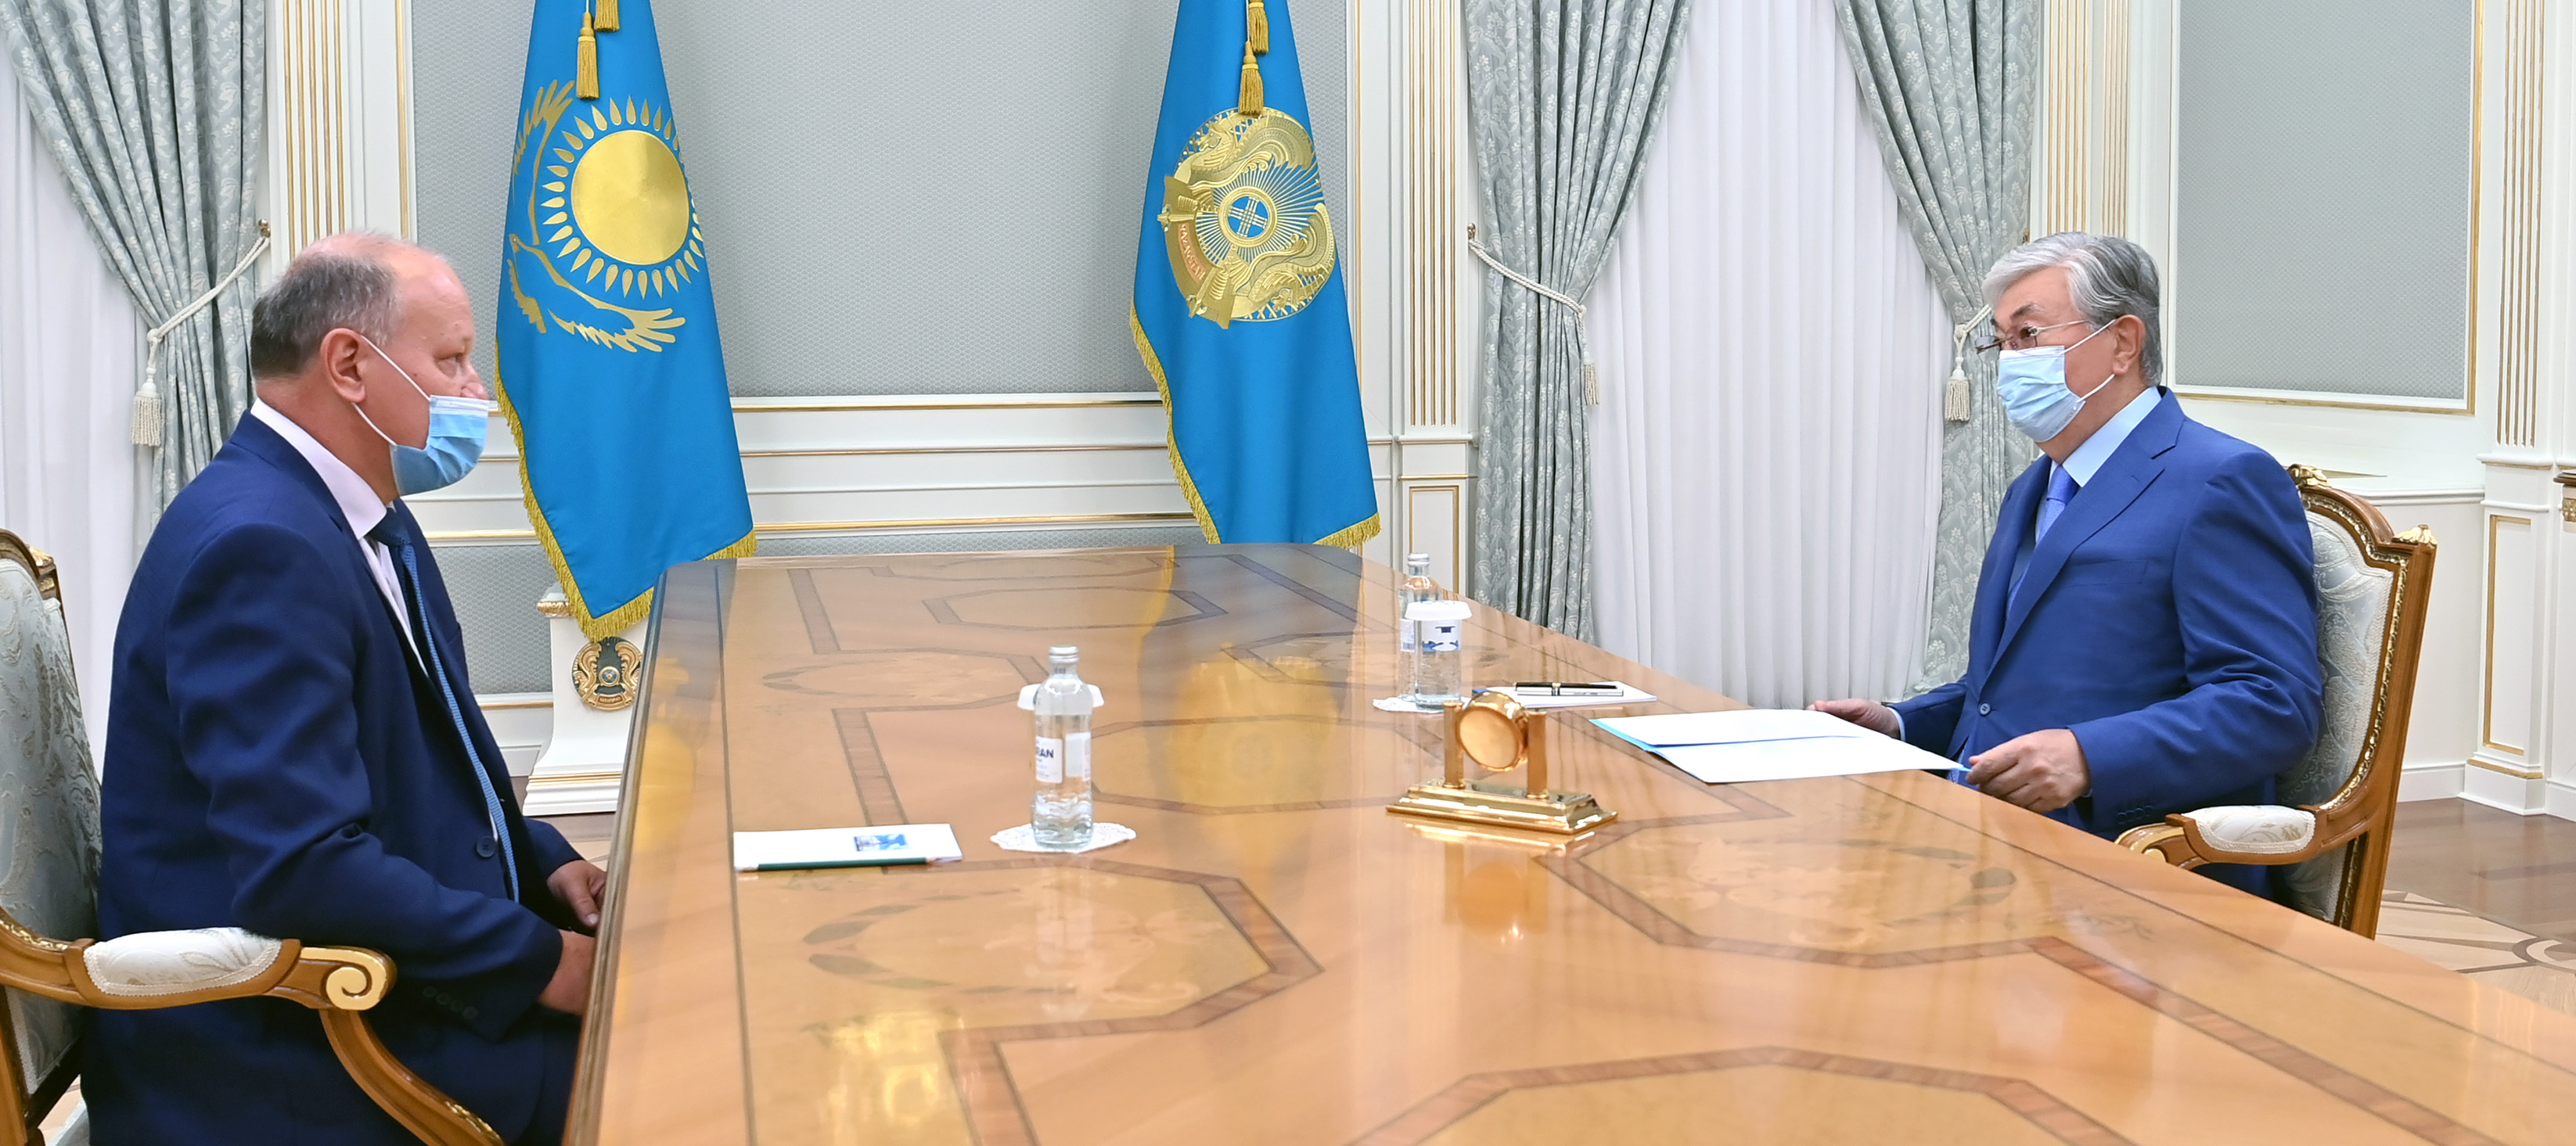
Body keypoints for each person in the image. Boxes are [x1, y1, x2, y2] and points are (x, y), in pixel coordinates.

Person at [88, 233, 606, 1144]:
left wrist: (543, 860)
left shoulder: (360, 510)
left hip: (372, 987)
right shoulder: (260, 547)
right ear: (350, 366)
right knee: (680, 1074)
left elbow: (420, 769)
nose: (477, 393)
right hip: (283, 1049)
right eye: (451, 360)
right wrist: (543, 964)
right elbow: (303, 868)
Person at [1814, 232, 2322, 896]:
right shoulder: (2034, 486)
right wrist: (1904, 722)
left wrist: (2088, 756)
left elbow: (2273, 703)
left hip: (2131, 859)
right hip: (1984, 829)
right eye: (2002, 343)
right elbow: (2007, 689)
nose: (2010, 362)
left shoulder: (2222, 480)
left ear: (2123, 343)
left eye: (2029, 335)